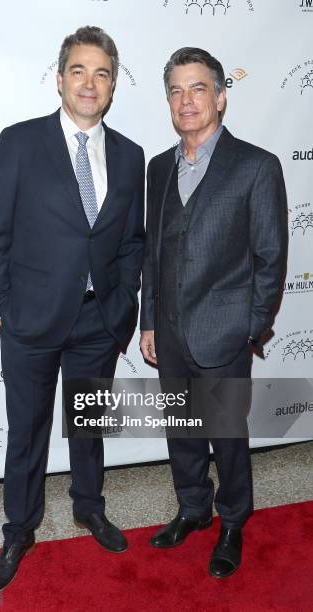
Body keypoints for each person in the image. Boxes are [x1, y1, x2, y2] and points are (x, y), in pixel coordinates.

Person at [0, 26, 145, 592]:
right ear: (59, 79)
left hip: (99, 320)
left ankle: (88, 507)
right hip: (30, 321)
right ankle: (19, 529)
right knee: (26, 431)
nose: (89, 83)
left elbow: (130, 241)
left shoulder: (129, 155)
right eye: (79, 70)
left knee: (89, 425)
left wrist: (122, 306)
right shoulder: (20, 142)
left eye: (101, 73)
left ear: (113, 86)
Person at [140, 47, 287, 578]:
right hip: (172, 333)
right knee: (181, 429)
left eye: (198, 88)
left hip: (225, 332)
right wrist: (149, 320)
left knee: (227, 434)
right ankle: (193, 509)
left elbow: (271, 257)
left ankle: (231, 521)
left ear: (221, 97)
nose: (187, 100)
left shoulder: (256, 166)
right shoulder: (158, 168)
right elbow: (153, 252)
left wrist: (249, 326)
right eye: (176, 90)